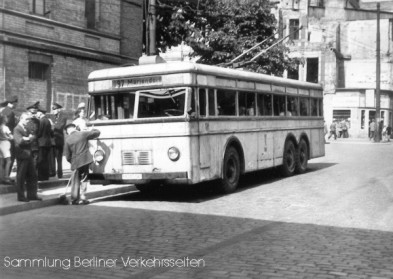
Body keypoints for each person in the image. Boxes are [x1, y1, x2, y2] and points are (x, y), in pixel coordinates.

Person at [64, 123, 100, 205]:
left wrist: (72, 162)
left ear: (68, 131)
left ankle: (74, 199)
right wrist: (92, 130)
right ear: (75, 128)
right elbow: (97, 132)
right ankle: (83, 197)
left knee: (75, 181)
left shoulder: (67, 140)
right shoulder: (83, 134)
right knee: (84, 179)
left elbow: (67, 156)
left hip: (75, 163)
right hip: (85, 160)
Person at [13, 113, 41, 202]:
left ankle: (32, 195)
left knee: (33, 175)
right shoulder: (17, 129)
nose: (28, 121)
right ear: (21, 119)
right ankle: (21, 196)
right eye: (26, 119)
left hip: (29, 154)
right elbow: (20, 141)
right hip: (22, 155)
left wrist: (28, 138)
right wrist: (28, 139)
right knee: (21, 177)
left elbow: (33, 137)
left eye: (28, 119)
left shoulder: (27, 128)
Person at [0, 96, 18, 177]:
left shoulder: (3, 110)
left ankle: (2, 176)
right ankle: (6, 177)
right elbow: (10, 126)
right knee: (10, 158)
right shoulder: (10, 112)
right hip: (8, 139)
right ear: (14, 103)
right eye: (16, 103)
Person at [36, 106, 53, 181]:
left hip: (41, 143)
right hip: (47, 142)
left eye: (37, 112)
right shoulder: (47, 120)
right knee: (46, 160)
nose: (36, 114)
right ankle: (46, 176)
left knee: (41, 160)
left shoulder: (41, 121)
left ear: (40, 113)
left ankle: (41, 176)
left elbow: (39, 132)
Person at [52, 103, 67, 178]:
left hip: (59, 140)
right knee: (52, 157)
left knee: (59, 158)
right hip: (53, 140)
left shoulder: (63, 117)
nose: (53, 111)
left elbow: (60, 127)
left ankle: (60, 173)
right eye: (53, 109)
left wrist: (52, 126)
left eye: (54, 109)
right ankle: (53, 172)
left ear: (58, 109)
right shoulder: (53, 117)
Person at [25, 102, 40, 168]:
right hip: (27, 144)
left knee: (35, 160)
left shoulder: (37, 121)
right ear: (28, 112)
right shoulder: (25, 120)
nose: (33, 115)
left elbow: (39, 132)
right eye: (32, 113)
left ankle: (33, 175)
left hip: (35, 144)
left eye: (35, 113)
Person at [0, 115, 13, 184]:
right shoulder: (5, 128)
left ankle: (1, 177)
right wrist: (9, 138)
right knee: (8, 161)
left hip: (0, 144)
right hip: (5, 144)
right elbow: (11, 137)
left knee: (1, 162)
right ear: (4, 120)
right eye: (6, 117)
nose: (7, 119)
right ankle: (6, 176)